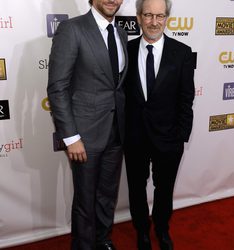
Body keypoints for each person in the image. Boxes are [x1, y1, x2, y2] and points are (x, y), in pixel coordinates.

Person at [47, 0, 128, 249]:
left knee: (107, 196)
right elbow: (57, 87)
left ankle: (103, 241)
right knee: (85, 199)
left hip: (115, 131)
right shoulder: (72, 29)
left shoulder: (122, 32)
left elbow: (115, 86)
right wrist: (71, 137)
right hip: (84, 134)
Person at [124, 0, 195, 249]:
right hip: (134, 138)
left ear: (167, 18)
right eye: (148, 15)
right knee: (136, 189)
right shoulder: (126, 50)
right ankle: (142, 231)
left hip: (169, 139)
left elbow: (187, 98)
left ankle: (162, 229)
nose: (154, 22)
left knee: (164, 190)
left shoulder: (182, 53)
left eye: (160, 16)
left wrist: (181, 137)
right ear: (138, 17)